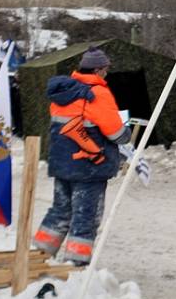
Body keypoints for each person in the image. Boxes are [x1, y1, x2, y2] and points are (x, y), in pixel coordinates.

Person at [32, 47, 130, 266]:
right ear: (97, 69)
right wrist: (126, 133)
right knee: (85, 215)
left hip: (62, 164)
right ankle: (76, 265)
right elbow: (116, 133)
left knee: (60, 211)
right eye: (105, 69)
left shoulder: (64, 92)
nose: (106, 73)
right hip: (89, 167)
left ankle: (38, 257)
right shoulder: (98, 93)